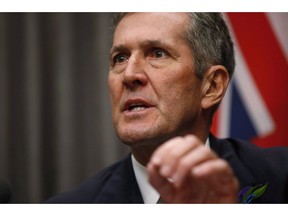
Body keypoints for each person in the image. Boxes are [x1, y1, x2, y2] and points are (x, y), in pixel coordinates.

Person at [46, 12, 288, 203]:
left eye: (157, 54)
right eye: (120, 58)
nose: (129, 74)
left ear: (211, 86)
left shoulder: (280, 178)